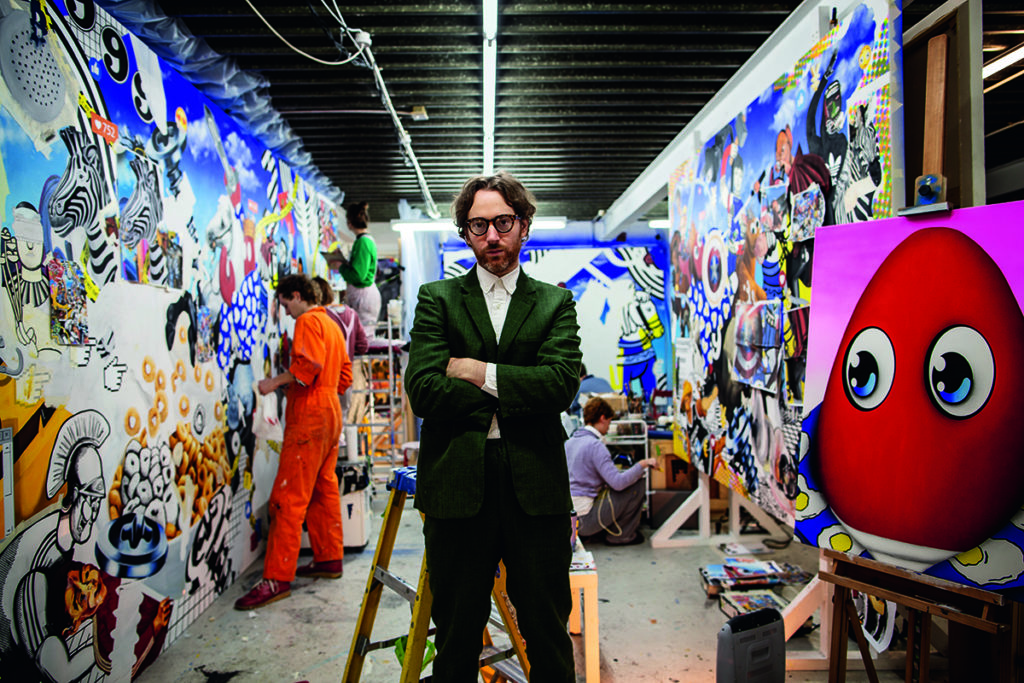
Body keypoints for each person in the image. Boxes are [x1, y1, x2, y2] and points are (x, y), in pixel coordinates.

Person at [404, 171, 583, 681]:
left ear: (524, 225)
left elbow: (560, 386)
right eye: (477, 225)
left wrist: (476, 371)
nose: (491, 236)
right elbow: (424, 391)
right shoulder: (437, 299)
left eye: (503, 222)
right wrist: (516, 392)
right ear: (465, 232)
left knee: (548, 634)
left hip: (536, 489)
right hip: (456, 486)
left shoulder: (554, 303)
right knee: (456, 638)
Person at [235, 274, 353, 610]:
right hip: (331, 411)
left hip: (310, 415)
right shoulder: (332, 324)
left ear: (297, 296)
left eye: (285, 304)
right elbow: (344, 375)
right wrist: (321, 390)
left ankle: (276, 578)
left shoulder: (307, 322)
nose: (285, 312)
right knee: (323, 488)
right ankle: (329, 558)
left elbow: (308, 366)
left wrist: (274, 383)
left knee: (287, 497)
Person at [566, 397, 657, 546]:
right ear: (602, 418)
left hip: (568, 518)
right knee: (638, 482)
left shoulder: (570, 442)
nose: (609, 428)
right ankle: (622, 535)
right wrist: (642, 464)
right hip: (585, 520)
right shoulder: (595, 445)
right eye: (609, 422)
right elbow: (618, 483)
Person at [312, 276, 369, 423]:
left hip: (326, 378)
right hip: (346, 376)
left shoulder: (320, 317)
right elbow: (363, 346)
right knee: (341, 420)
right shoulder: (351, 314)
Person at [325, 201, 381, 336]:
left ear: (349, 223)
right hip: (364, 294)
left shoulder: (363, 242)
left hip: (363, 295)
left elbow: (358, 275)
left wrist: (341, 267)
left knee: (363, 337)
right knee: (363, 335)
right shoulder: (366, 241)